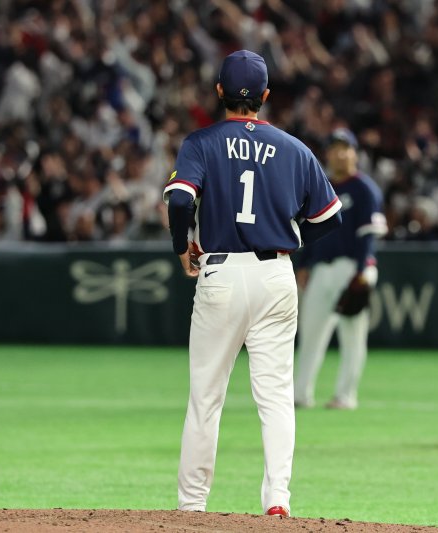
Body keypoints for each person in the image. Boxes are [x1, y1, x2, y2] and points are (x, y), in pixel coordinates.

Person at [163, 50, 342, 517]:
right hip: (275, 274)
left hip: (221, 270)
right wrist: (291, 238)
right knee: (276, 395)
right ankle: (278, 500)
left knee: (206, 396)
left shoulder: (200, 142)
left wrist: (182, 247)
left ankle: (192, 506)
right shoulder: (294, 148)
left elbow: (180, 200)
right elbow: (329, 218)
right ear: (265, 96)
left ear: (218, 91)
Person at [293, 128, 387, 410]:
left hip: (352, 267)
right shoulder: (320, 188)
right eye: (334, 148)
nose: (339, 153)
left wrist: (361, 271)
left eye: (344, 147)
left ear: (354, 153)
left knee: (352, 336)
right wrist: (304, 265)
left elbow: (368, 235)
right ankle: (300, 394)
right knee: (310, 333)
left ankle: (345, 396)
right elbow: (310, 230)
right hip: (322, 268)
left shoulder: (365, 188)